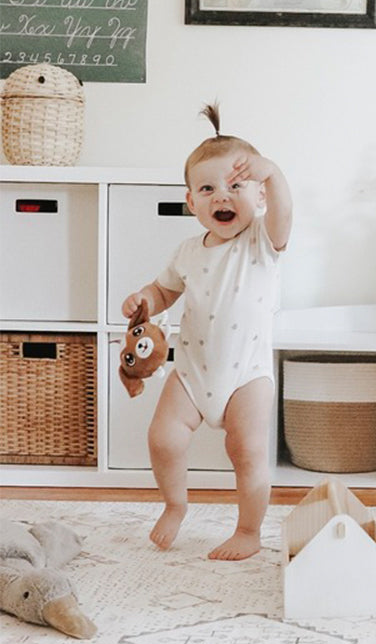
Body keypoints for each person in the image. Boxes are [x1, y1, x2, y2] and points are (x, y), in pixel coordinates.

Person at [122, 104, 292, 560]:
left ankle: (248, 531)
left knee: (249, 451)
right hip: (192, 370)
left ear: (258, 197)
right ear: (191, 201)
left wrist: (273, 174)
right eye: (208, 188)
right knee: (163, 438)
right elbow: (163, 291)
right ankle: (175, 505)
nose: (223, 196)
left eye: (237, 185)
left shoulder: (261, 241)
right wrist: (144, 301)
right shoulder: (186, 252)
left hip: (246, 376)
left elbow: (284, 216)